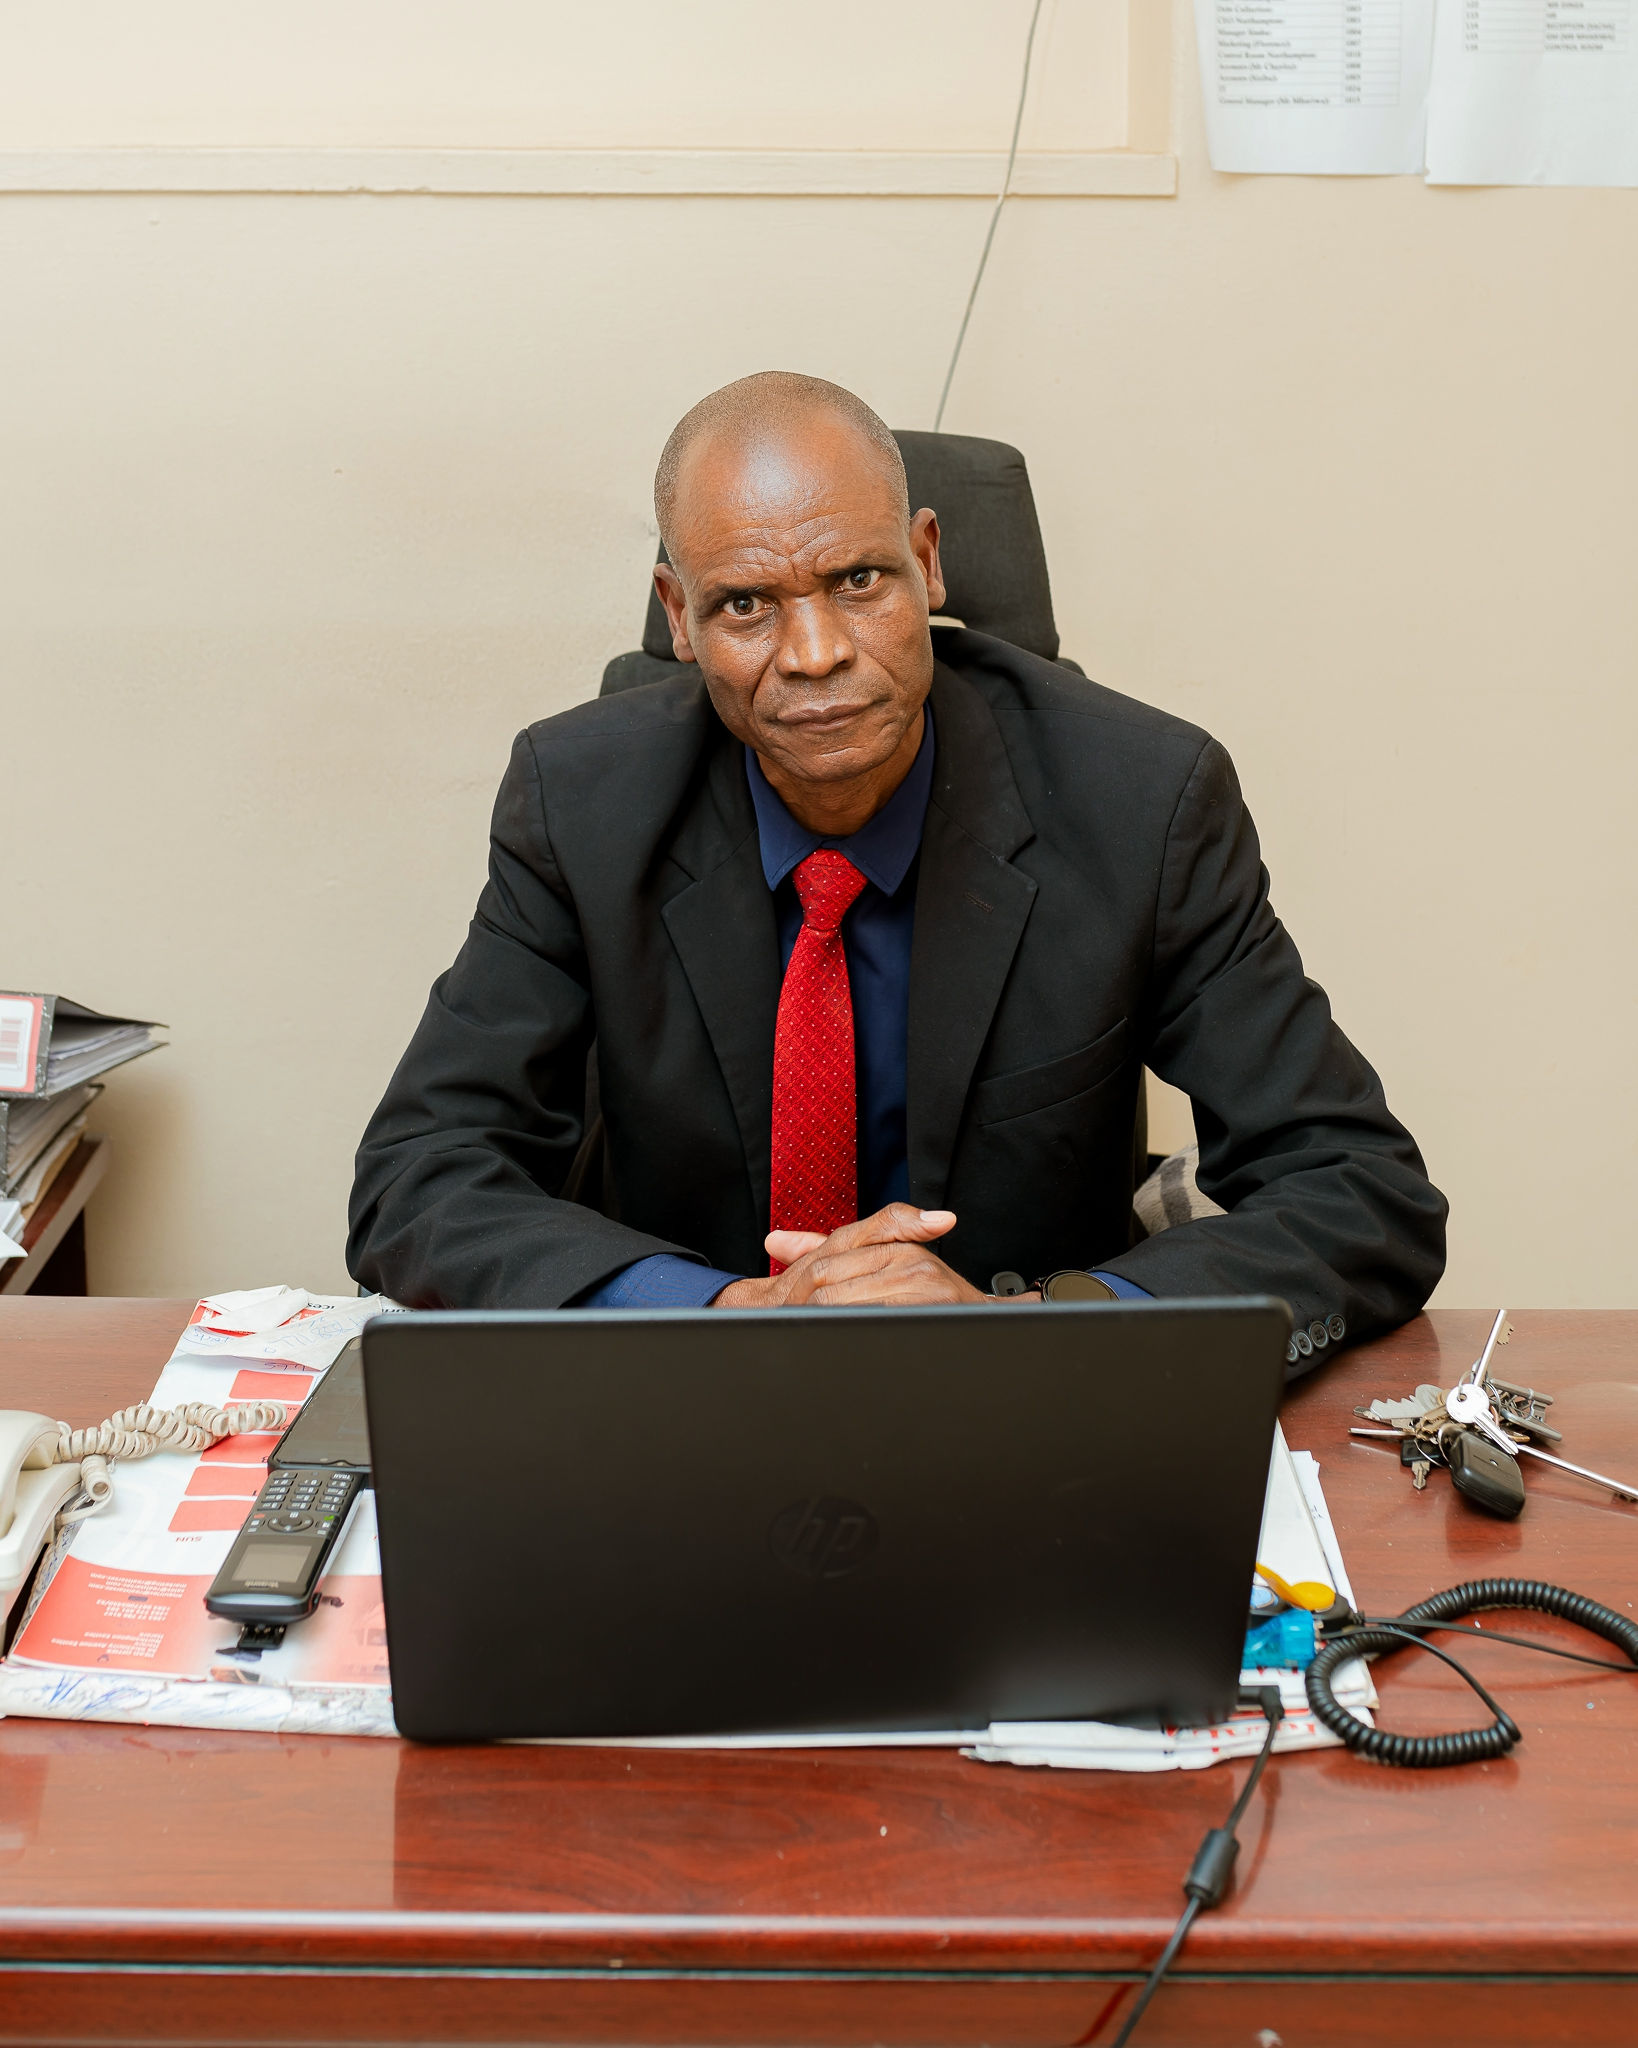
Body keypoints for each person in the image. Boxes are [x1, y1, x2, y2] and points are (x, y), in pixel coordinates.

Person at [348, 372, 1445, 1354]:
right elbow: (418, 1177)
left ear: (926, 563)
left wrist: (1038, 1325)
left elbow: (1359, 1190)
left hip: (1017, 1416)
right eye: (746, 604)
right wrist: (717, 1310)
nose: (816, 653)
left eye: (859, 580)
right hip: (687, 1402)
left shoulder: (1141, 801)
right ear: (679, 617)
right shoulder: (582, 803)